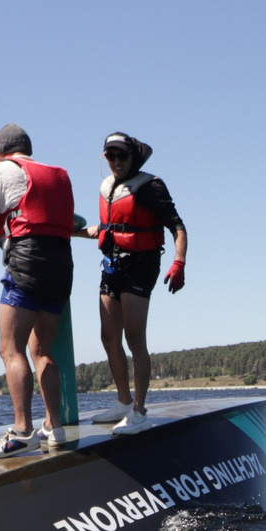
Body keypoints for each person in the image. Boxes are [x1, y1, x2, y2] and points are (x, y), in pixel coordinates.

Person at [0, 123, 81, 459]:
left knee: (10, 348)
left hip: (28, 260)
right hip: (61, 263)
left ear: (0, 152)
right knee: (43, 350)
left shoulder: (0, 169)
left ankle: (21, 432)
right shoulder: (58, 174)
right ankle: (54, 428)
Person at [88, 132, 188, 430]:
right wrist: (67, 229)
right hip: (111, 265)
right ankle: (123, 401)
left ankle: (140, 413)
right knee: (108, 337)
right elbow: (107, 228)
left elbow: (178, 227)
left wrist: (179, 262)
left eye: (121, 156)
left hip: (141, 265)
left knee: (135, 339)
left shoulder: (151, 187)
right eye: (110, 156)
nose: (116, 162)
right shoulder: (108, 188)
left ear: (133, 157)